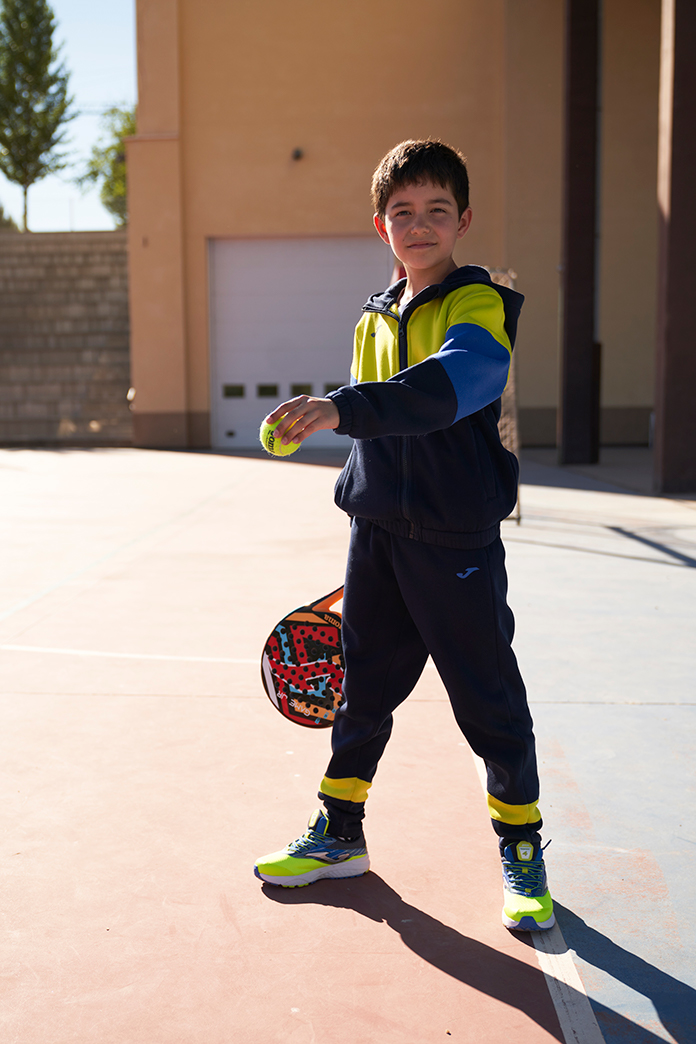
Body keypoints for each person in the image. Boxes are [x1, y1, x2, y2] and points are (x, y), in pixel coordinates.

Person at [254, 139, 554, 932]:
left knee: (489, 703)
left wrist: (340, 407)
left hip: (455, 541)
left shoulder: (479, 304)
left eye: (436, 211)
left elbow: (446, 390)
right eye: (402, 212)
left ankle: (522, 850)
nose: (419, 226)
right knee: (362, 694)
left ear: (463, 220)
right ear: (380, 224)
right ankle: (339, 834)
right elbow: (373, 429)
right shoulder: (375, 313)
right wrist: (364, 507)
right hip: (379, 534)